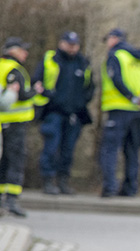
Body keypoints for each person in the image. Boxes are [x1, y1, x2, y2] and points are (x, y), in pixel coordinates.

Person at [33, 31, 94, 195]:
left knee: (68, 150)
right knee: (51, 147)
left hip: (74, 114)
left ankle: (63, 181)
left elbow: (89, 87)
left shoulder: (83, 63)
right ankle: (47, 180)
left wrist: (81, 102)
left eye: (75, 45)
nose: (72, 48)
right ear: (61, 43)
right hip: (54, 112)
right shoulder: (51, 60)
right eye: (69, 44)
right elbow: (37, 82)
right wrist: (49, 96)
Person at [99, 28, 140, 198]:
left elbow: (116, 79)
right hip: (137, 112)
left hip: (119, 109)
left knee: (110, 149)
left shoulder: (116, 55)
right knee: (132, 150)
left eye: (108, 39)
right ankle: (130, 188)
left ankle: (110, 187)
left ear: (114, 39)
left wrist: (131, 97)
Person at [0, 37, 42, 217]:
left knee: (3, 161)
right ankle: (11, 200)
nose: (26, 53)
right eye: (22, 49)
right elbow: (21, 95)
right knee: (15, 160)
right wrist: (36, 91)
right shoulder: (14, 69)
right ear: (13, 51)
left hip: (4, 123)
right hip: (15, 122)